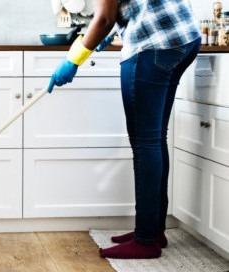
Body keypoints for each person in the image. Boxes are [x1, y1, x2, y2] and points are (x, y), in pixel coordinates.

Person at [47, 0, 201, 259]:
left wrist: (74, 58)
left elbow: (104, 17)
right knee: (155, 138)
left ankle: (146, 241)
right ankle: (153, 230)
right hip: (183, 38)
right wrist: (115, 32)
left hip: (154, 45)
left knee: (146, 143)